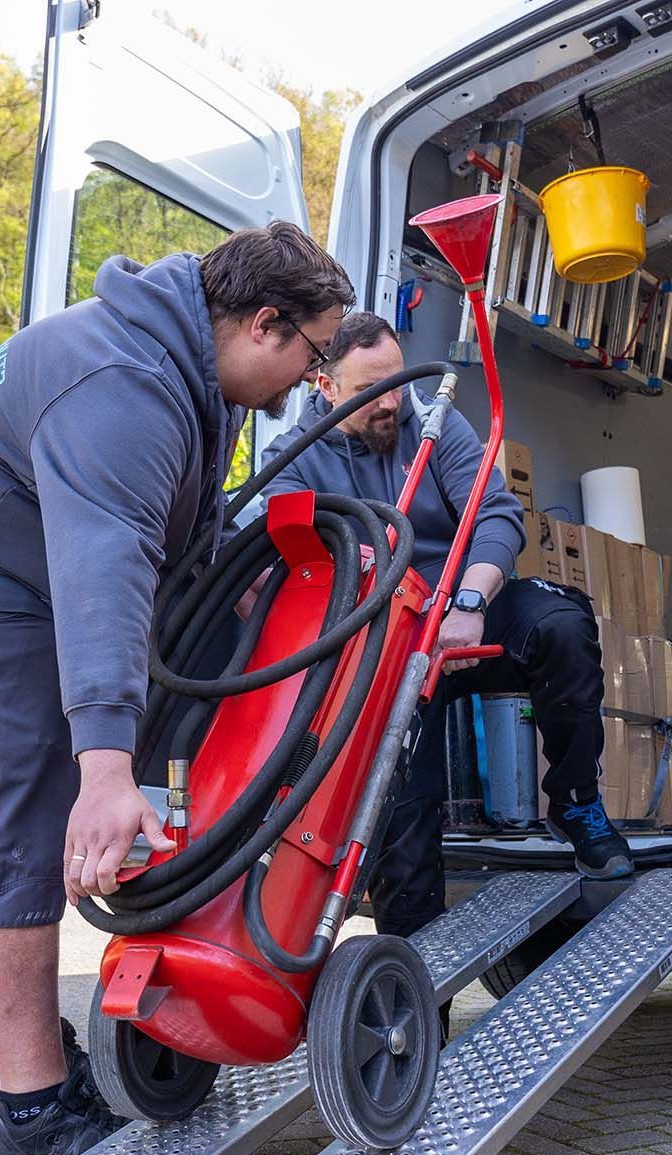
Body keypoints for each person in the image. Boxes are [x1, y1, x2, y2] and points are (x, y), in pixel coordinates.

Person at [0, 222, 353, 1155]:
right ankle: (32, 1109)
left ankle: (38, 1058)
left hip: (20, 567)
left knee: (84, 766)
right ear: (263, 323)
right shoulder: (124, 383)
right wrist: (106, 771)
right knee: (14, 804)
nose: (311, 384)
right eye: (315, 357)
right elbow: (102, 569)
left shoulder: (193, 373)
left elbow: (167, 541)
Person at [257, 311, 632, 945]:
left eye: (399, 381)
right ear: (325, 386)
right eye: (372, 390)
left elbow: (495, 511)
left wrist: (468, 602)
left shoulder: (432, 421)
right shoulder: (291, 461)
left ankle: (574, 803)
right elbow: (271, 566)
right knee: (403, 815)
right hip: (383, 648)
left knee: (562, 623)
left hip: (461, 620)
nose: (393, 402)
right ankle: (416, 1002)